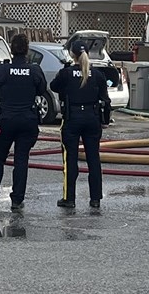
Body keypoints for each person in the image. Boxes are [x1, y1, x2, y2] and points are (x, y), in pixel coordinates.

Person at [0, 33, 47, 210]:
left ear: (11, 50)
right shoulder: (34, 70)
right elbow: (42, 89)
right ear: (27, 50)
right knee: (21, 160)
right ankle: (17, 199)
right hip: (27, 121)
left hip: (6, 120)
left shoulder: (3, 69)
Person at [50, 40, 111, 209]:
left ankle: (69, 198)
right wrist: (104, 120)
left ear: (72, 54)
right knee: (93, 159)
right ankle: (95, 198)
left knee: (70, 158)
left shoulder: (66, 73)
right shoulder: (97, 74)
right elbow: (105, 99)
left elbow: (54, 86)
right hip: (92, 118)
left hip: (72, 118)